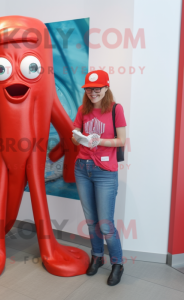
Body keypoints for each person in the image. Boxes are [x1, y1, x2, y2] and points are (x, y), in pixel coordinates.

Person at [72, 70, 127, 286]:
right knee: (91, 221)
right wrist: (78, 139)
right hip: (82, 168)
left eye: (97, 88)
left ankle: (117, 263)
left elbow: (121, 140)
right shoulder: (82, 109)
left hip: (105, 172)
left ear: (106, 88)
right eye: (89, 89)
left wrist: (99, 141)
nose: (93, 93)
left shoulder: (116, 109)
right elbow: (75, 132)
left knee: (105, 224)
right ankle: (97, 256)